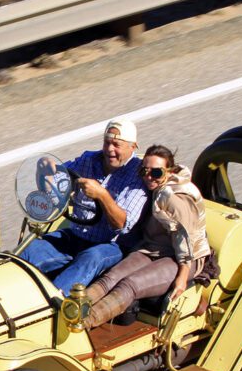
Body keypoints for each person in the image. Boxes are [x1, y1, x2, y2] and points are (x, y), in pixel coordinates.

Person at [83, 144, 216, 328]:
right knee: (110, 278)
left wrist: (182, 277)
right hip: (152, 249)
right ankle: (73, 309)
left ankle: (85, 323)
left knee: (130, 285)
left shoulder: (172, 197)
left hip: (181, 258)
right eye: (144, 171)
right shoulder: (155, 189)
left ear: (169, 171)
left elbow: (185, 239)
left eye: (156, 173)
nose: (148, 177)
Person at [18, 118, 147, 295]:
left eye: (116, 145)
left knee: (90, 259)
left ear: (132, 146)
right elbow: (56, 192)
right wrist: (45, 172)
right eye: (107, 142)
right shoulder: (88, 159)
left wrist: (102, 194)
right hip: (76, 235)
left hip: (111, 245)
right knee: (31, 251)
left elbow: (121, 224)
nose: (110, 149)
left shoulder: (138, 175)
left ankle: (52, 302)